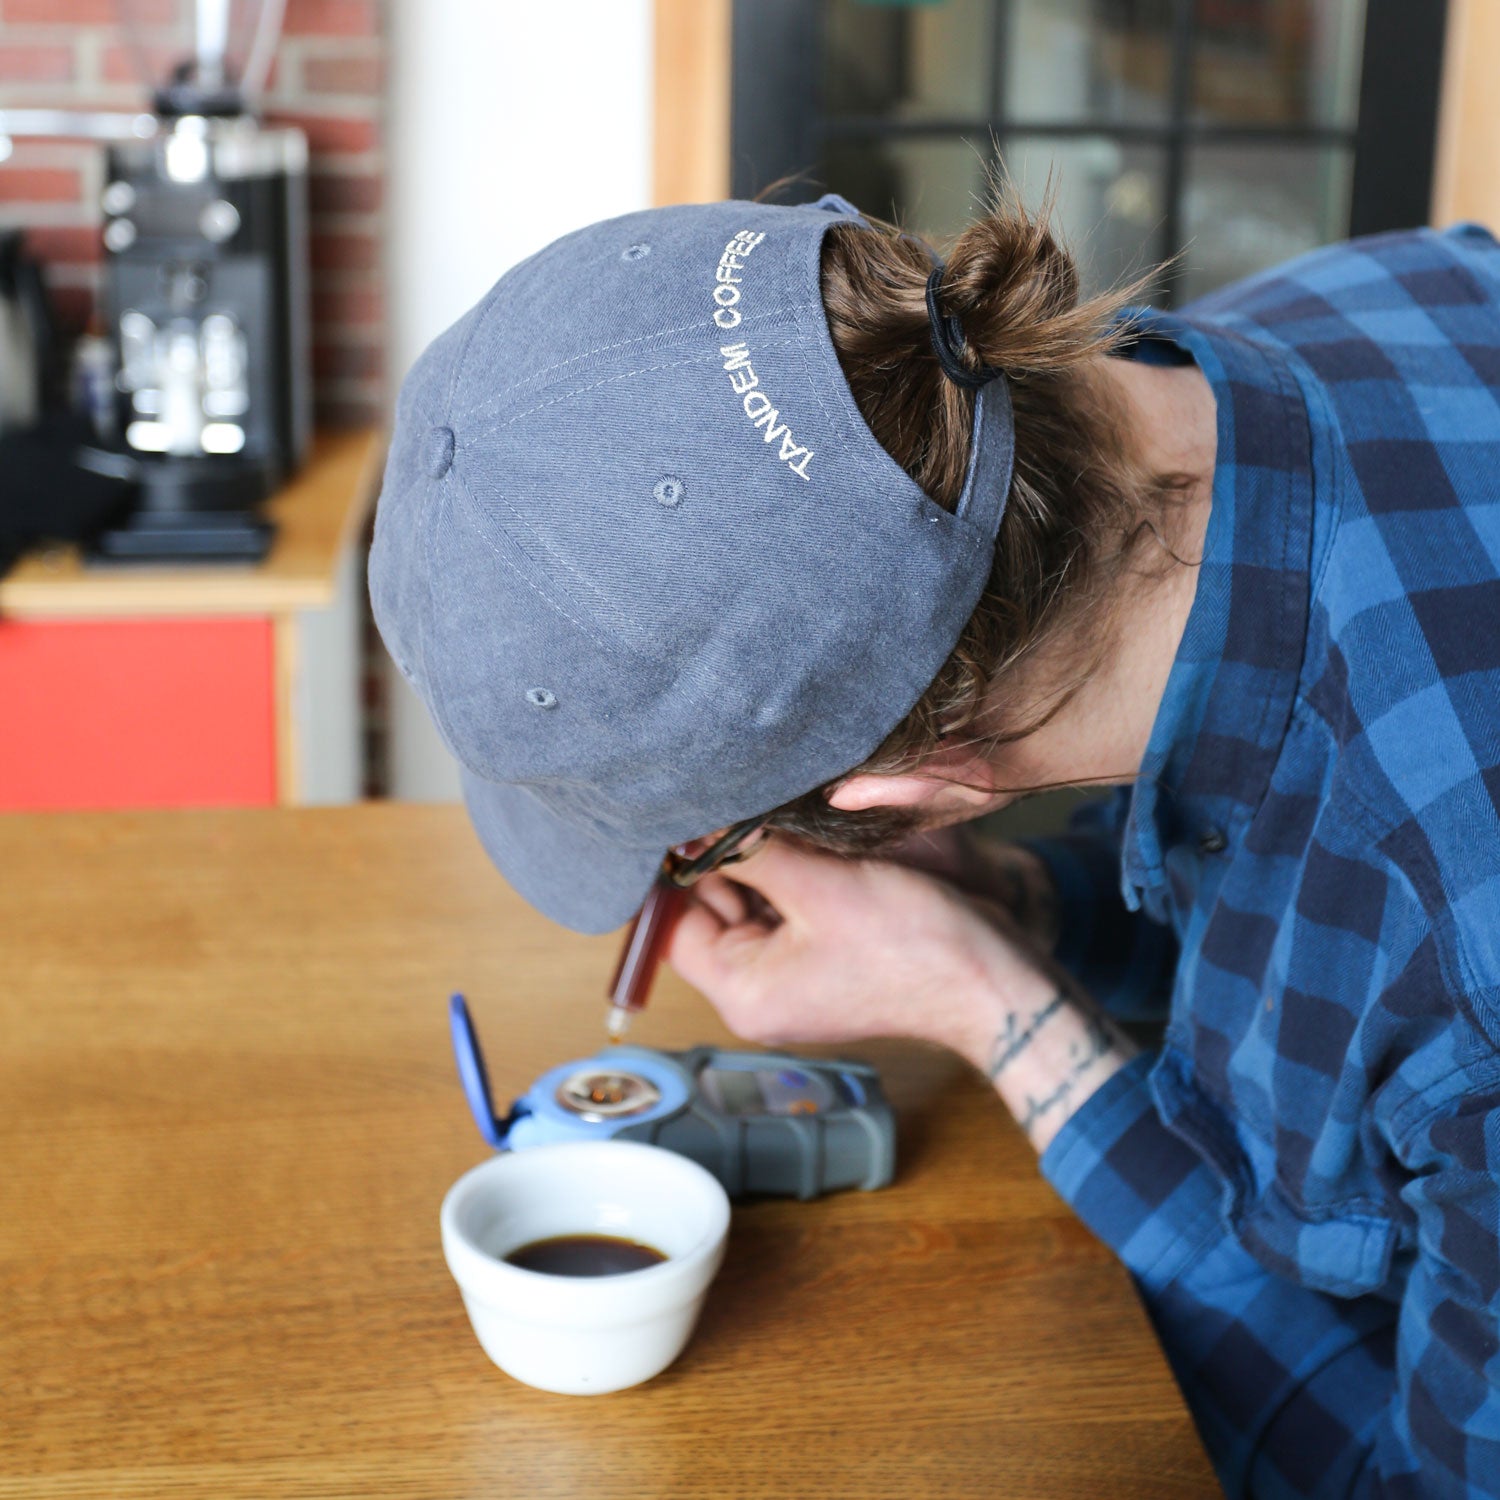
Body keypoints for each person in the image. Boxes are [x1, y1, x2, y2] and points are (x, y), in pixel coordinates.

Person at [370, 180, 1500, 1497]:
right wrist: (1022, 905)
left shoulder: (1465, 956)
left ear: (898, 792)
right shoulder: (1352, 296)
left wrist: (1002, 1018)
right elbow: (1284, 893)